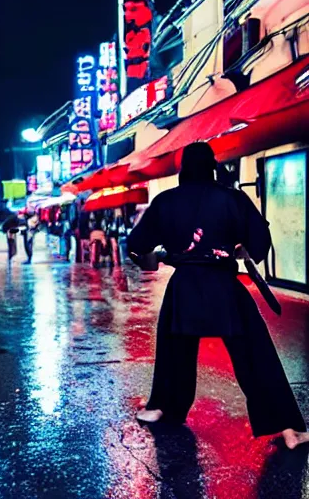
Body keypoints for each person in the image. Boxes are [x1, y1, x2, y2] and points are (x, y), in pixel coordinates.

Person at [127, 141, 309, 449]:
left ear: (183, 169)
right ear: (212, 168)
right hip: (224, 285)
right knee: (256, 354)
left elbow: (136, 244)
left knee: (174, 350)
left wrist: (157, 258)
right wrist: (239, 249)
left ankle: (161, 408)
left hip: (184, 285)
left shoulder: (165, 200)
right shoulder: (233, 198)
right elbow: (260, 243)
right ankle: (290, 428)